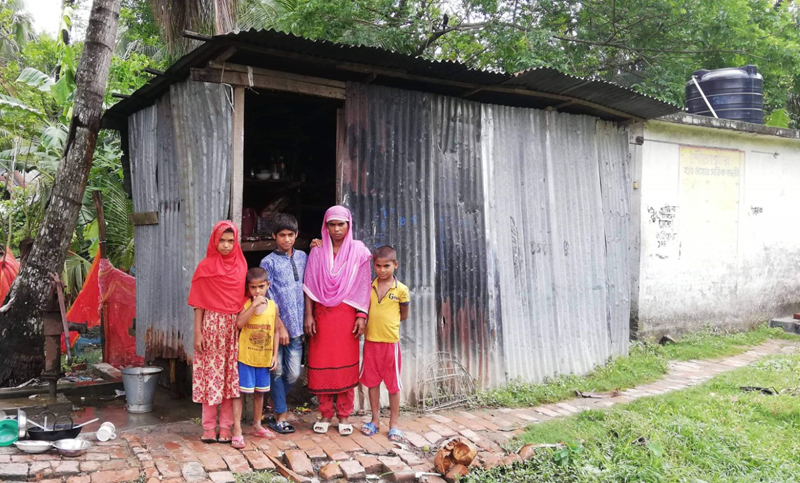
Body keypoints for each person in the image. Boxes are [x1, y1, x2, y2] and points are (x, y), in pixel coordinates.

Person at [304, 206, 372, 436]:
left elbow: (363, 285)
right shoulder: (317, 251)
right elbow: (310, 286)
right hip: (322, 316)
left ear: (348, 225)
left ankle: (344, 415)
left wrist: (362, 315)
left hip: (347, 317)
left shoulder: (359, 251)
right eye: (331, 224)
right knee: (322, 362)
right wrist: (308, 314)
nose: (336, 229)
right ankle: (325, 413)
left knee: (346, 365)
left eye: (340, 224)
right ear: (326, 226)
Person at [189, 221, 247, 444]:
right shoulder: (205, 267)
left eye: (230, 241)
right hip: (210, 328)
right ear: (214, 240)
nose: (226, 245)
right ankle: (208, 427)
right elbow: (198, 304)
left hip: (232, 330)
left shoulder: (241, 266)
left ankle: (225, 428)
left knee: (229, 379)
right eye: (221, 240)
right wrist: (197, 333)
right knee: (210, 377)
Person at [260, 214, 307, 434]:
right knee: (276, 371)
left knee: (294, 374)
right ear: (274, 236)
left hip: (297, 326)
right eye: (282, 235)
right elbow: (267, 296)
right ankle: (281, 415)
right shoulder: (267, 262)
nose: (286, 239)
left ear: (296, 235)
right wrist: (279, 325)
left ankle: (272, 397)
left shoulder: (303, 257)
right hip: (276, 327)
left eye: (290, 235)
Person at [359, 246, 410, 442]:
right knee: (372, 383)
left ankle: (394, 424)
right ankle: (374, 420)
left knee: (393, 386)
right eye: (378, 266)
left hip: (390, 343)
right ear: (374, 266)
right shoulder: (368, 287)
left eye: (386, 266)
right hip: (371, 342)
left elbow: (403, 314)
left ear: (395, 265)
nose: (382, 270)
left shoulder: (402, 290)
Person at [231, 268, 280, 448]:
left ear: (268, 285)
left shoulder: (273, 306)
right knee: (240, 393)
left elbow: (275, 331)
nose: (257, 291)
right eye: (253, 288)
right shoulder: (245, 305)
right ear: (248, 288)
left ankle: (257, 424)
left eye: (261, 287)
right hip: (246, 356)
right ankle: (237, 429)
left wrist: (275, 355)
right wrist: (252, 305)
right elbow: (239, 323)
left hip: (264, 357)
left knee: (260, 393)